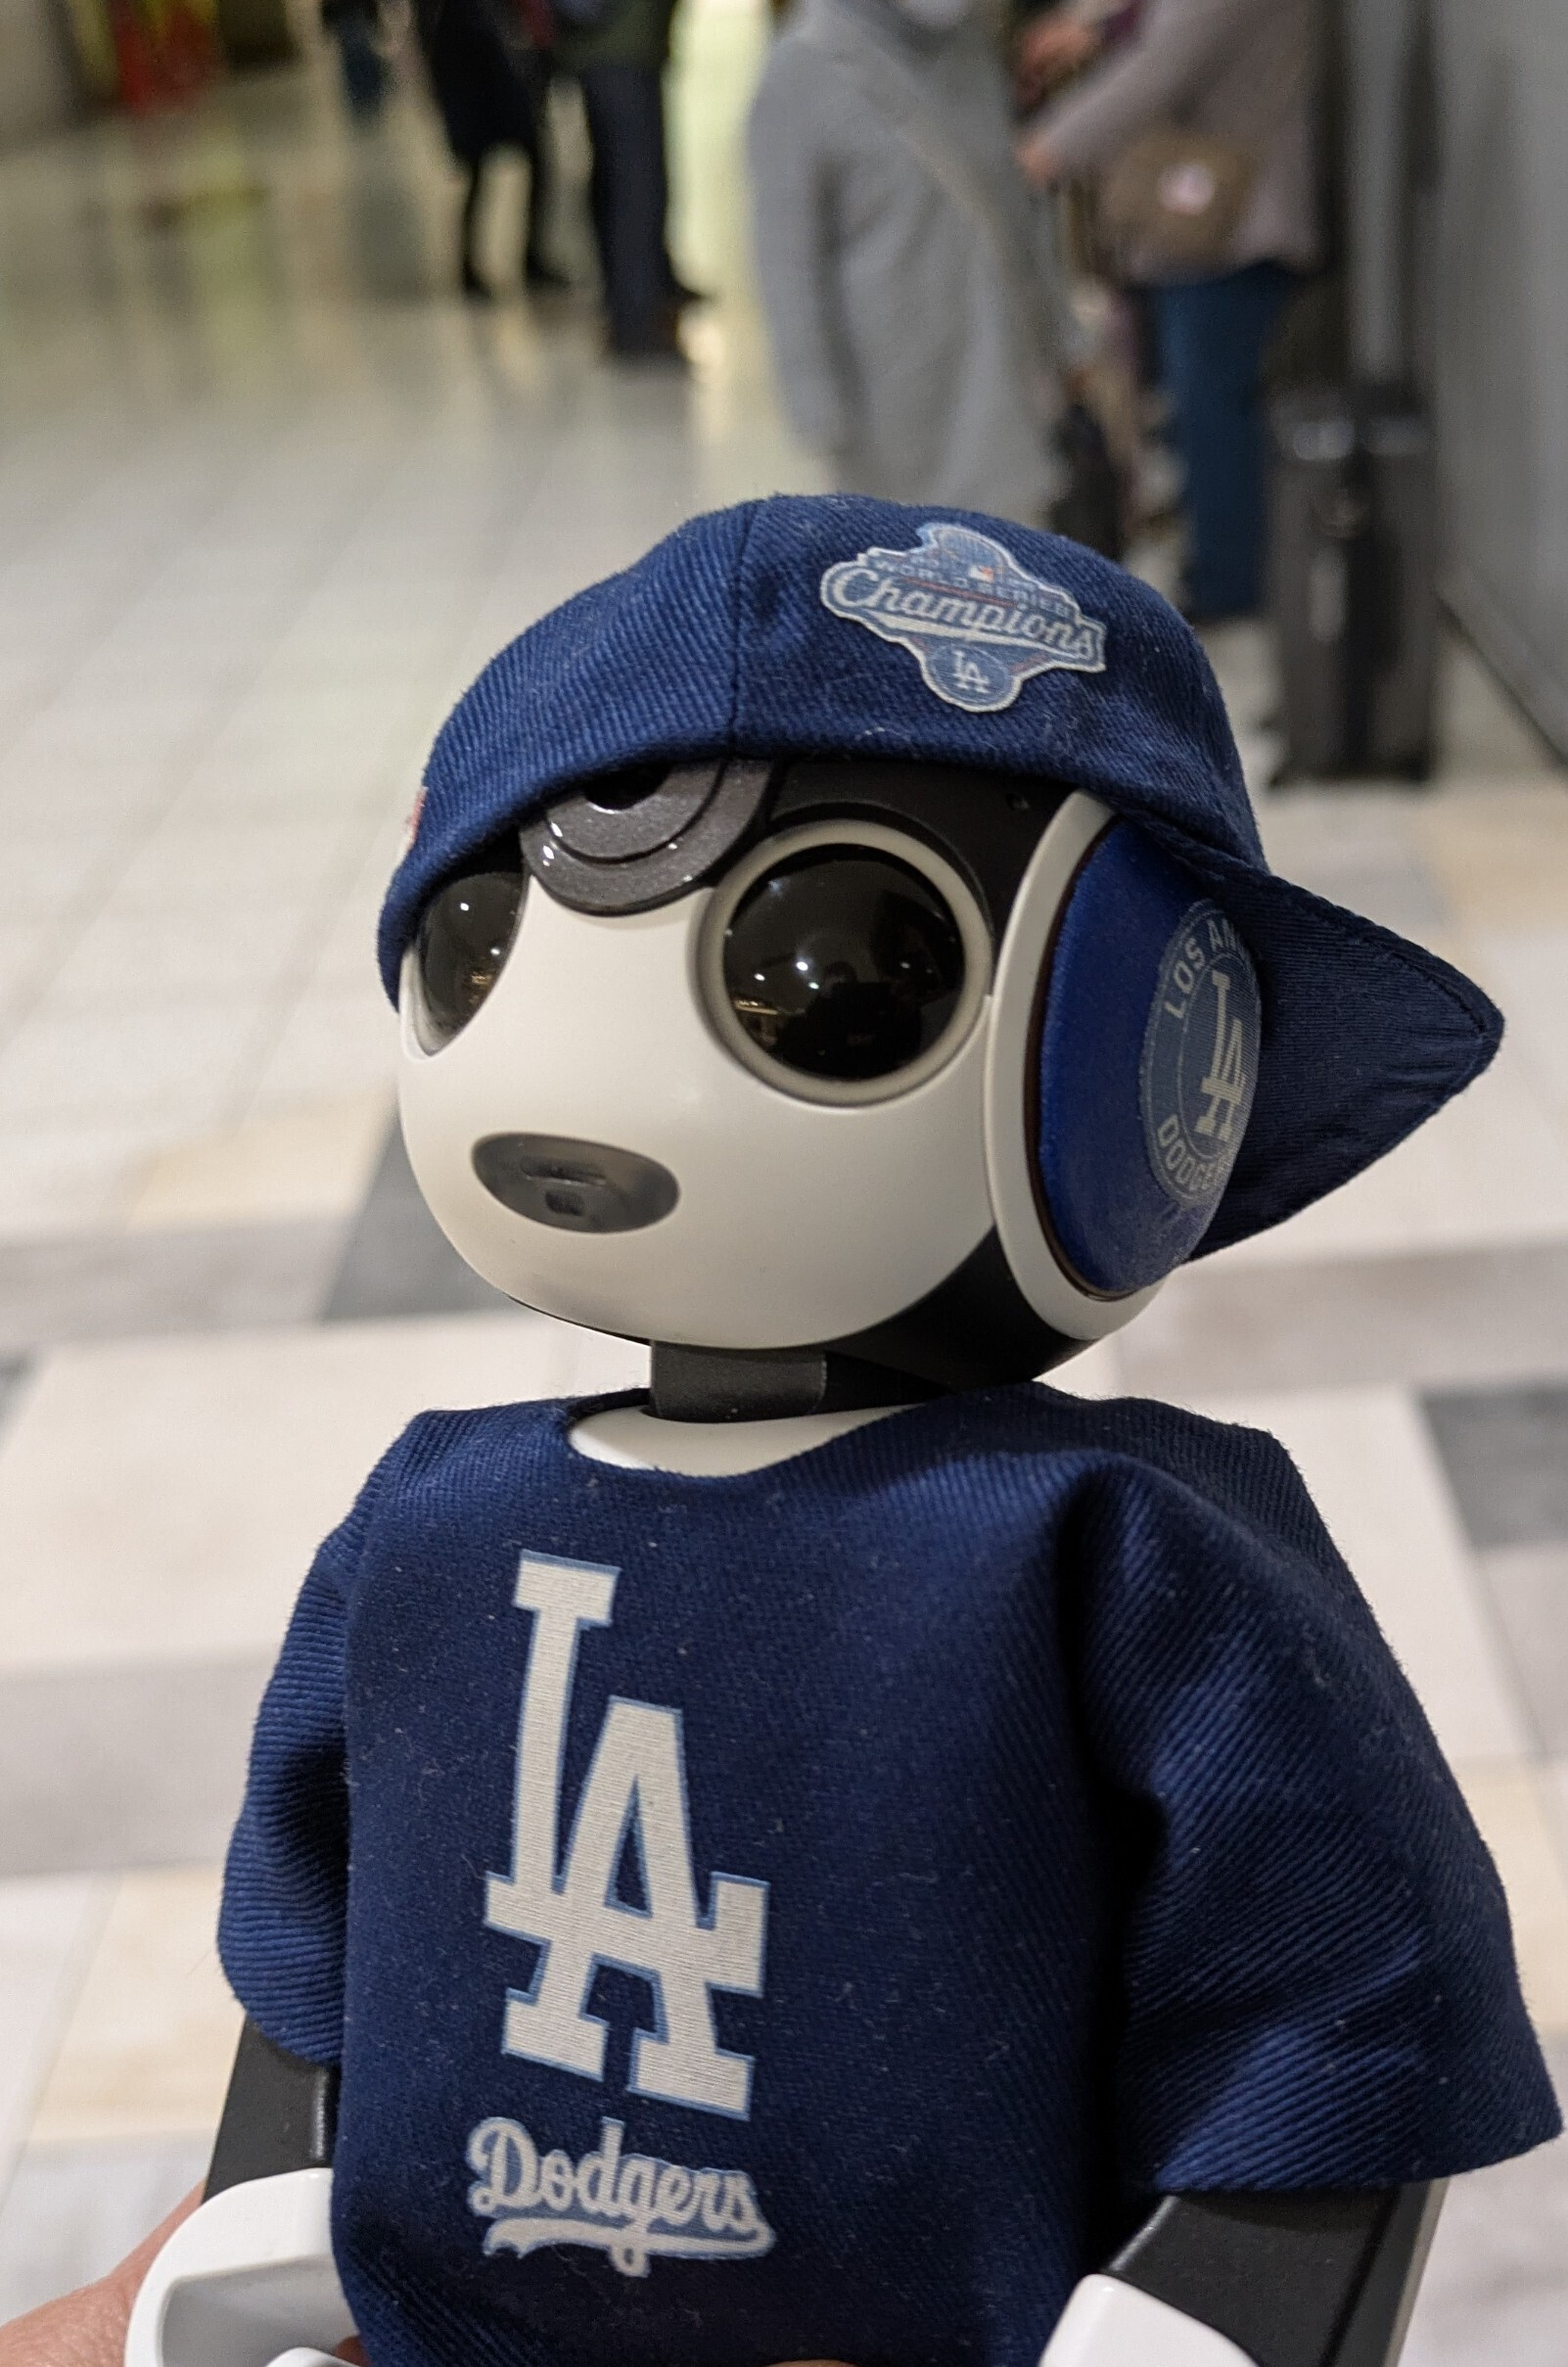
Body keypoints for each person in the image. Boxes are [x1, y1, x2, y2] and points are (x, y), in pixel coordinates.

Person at [41, 496, 1558, 2367]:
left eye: (838, 962)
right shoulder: (432, 1512)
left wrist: (1214, 2308)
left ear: (1156, 1039)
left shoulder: (1110, 1543)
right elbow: (316, 1922)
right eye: (480, 945)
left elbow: (1341, 1996)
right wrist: (267, 2216)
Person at [1019, 0, 1319, 618]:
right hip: (1213, 222)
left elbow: (1161, 70)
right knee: (1205, 407)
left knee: (1212, 410)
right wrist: (1099, 30)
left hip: (1231, 227)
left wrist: (1043, 151)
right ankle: (1223, 566)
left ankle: (1228, 583)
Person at [749, 0, 1084, 523]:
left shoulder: (970, 46)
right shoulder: (802, 65)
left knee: (1012, 540)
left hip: (998, 356)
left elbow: (1014, 204)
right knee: (905, 548)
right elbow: (787, 254)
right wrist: (813, 398)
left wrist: (1061, 336)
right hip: (885, 386)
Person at [554, 0, 695, 360]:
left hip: (617, 48)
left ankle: (637, 304)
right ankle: (635, 319)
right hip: (619, 49)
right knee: (636, 187)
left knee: (624, 182)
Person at [413, 0, 567, 301]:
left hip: (481, 86)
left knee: (495, 173)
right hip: (480, 87)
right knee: (485, 174)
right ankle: (484, 264)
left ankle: (497, 261)